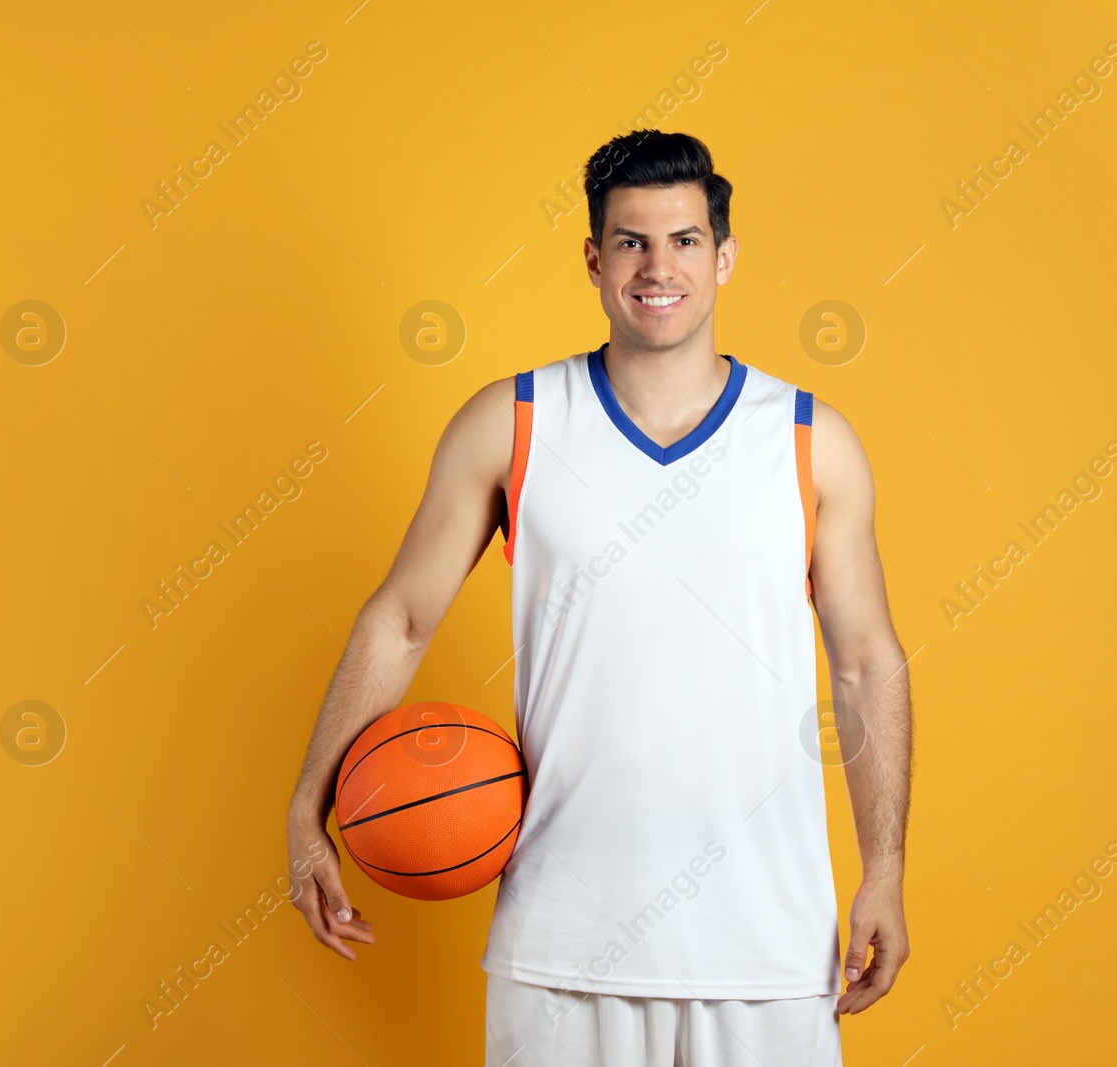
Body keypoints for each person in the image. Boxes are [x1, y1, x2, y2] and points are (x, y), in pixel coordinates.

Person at [286, 130, 913, 1066]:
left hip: (769, 943)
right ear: (593, 258)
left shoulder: (811, 438)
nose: (658, 267)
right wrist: (309, 806)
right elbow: (402, 617)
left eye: (685, 240)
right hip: (561, 943)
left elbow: (865, 665)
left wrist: (887, 868)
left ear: (725, 256)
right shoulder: (513, 421)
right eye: (631, 241)